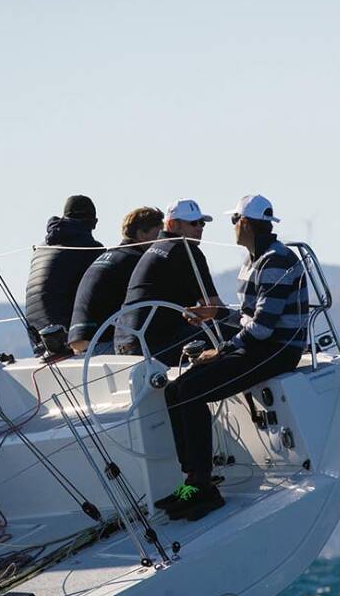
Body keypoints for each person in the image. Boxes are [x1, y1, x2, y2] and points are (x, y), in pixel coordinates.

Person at [158, 194, 309, 520]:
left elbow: (262, 329)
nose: (232, 227)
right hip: (257, 346)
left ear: (246, 223)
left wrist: (222, 350)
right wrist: (215, 314)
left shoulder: (275, 261)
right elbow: (247, 318)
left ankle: (203, 486)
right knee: (174, 390)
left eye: (233, 220)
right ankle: (192, 481)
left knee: (191, 391)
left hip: (277, 351)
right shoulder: (255, 259)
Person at [114, 198, 221, 364]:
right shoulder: (187, 250)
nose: (199, 228)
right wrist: (245, 321)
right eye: (193, 223)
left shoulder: (154, 249)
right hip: (156, 346)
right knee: (234, 334)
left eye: (202, 223)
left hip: (125, 344)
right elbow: (214, 307)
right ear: (172, 224)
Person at [68, 206, 162, 353]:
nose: (162, 241)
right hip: (103, 345)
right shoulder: (137, 261)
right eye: (159, 234)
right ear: (141, 234)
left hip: (78, 345)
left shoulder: (108, 256)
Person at [25, 195, 104, 341]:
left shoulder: (41, 248)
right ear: (93, 222)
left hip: (38, 337)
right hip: (66, 334)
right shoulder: (89, 247)